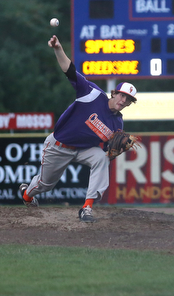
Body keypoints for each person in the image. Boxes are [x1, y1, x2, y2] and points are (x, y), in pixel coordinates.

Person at [18, 35, 138, 223]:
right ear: (114, 93)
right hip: (59, 145)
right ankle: (27, 194)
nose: (123, 101)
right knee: (45, 184)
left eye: (128, 100)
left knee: (102, 159)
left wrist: (115, 152)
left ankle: (87, 208)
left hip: (83, 150)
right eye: (122, 96)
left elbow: (107, 150)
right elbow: (69, 70)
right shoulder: (92, 94)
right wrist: (58, 48)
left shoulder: (118, 123)